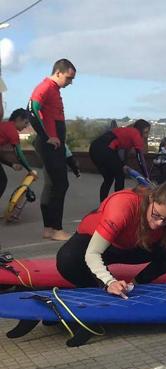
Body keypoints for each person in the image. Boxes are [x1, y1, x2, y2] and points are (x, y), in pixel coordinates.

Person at [28, 58, 76, 241]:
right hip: (49, 144)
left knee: (52, 184)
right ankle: (56, 229)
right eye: (68, 78)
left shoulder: (54, 89)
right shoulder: (46, 87)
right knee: (60, 184)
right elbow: (31, 110)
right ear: (58, 73)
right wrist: (47, 136)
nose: (70, 83)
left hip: (54, 144)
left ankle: (49, 228)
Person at [89, 119, 151, 202]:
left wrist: (122, 164)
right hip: (105, 149)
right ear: (140, 129)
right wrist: (146, 176)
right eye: (146, 132)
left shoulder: (126, 131)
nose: (147, 135)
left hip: (94, 149)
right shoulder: (135, 133)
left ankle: (102, 205)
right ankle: (118, 203)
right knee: (120, 175)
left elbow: (121, 154)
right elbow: (140, 158)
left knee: (108, 179)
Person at [0, 108, 38, 200]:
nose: (26, 126)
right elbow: (19, 154)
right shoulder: (12, 131)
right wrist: (30, 170)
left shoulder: (5, 126)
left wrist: (11, 164)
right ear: (19, 119)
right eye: (26, 123)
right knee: (2, 181)